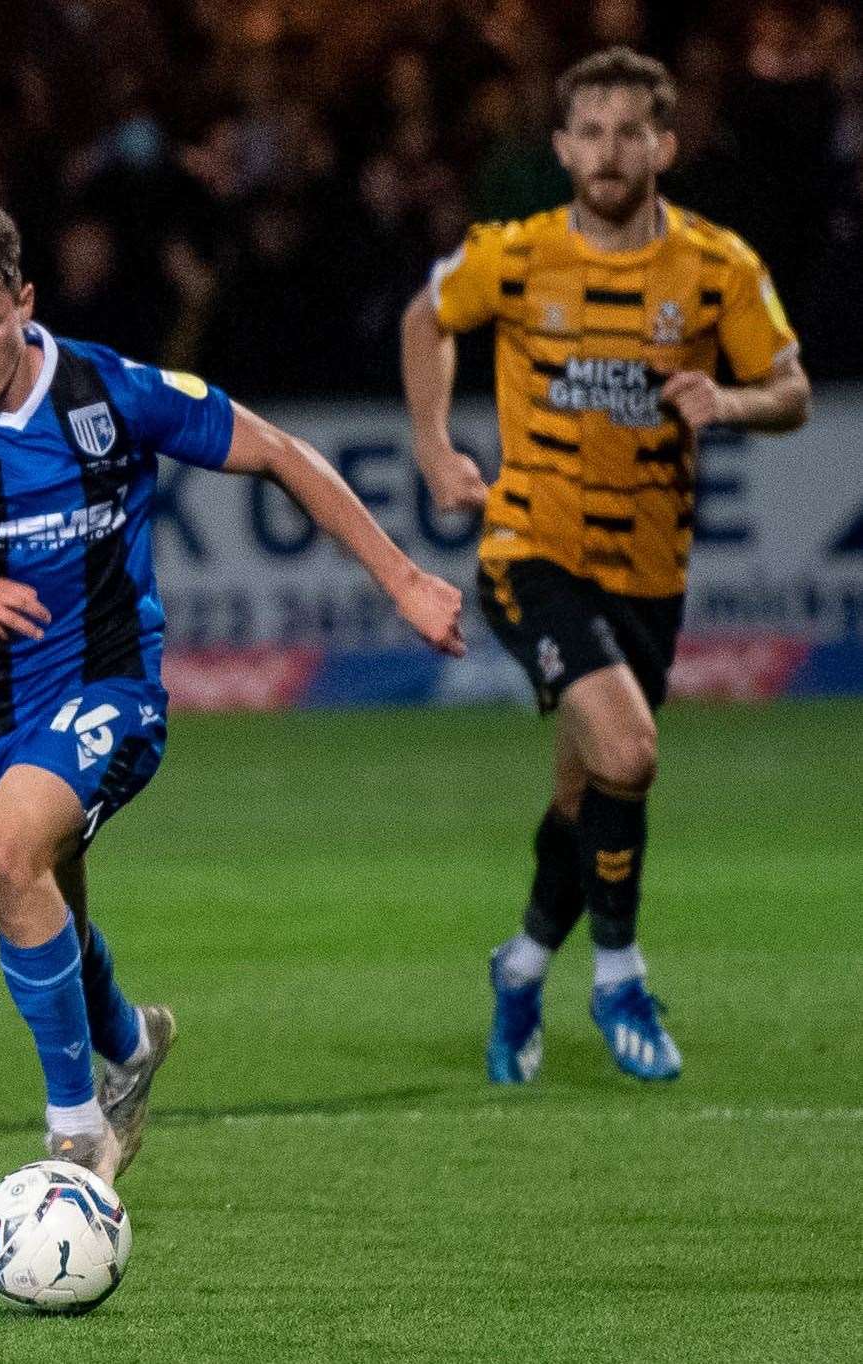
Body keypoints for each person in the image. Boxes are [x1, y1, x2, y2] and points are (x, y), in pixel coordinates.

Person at [0, 201, 464, 1183]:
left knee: (2, 857)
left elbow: (277, 450)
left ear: (25, 301)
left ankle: (76, 1132)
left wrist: (402, 577)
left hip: (109, 684)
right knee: (38, 898)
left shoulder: (108, 390)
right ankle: (129, 1042)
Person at [400, 48, 810, 1086]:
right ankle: (619, 974)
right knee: (629, 751)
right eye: (590, 130)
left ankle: (523, 960)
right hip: (529, 548)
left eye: (632, 131)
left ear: (664, 145)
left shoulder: (718, 267)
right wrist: (435, 442)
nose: (610, 150)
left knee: (589, 791)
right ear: (561, 147)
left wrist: (734, 402)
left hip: (651, 572)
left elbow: (792, 387)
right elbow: (426, 317)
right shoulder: (519, 252)